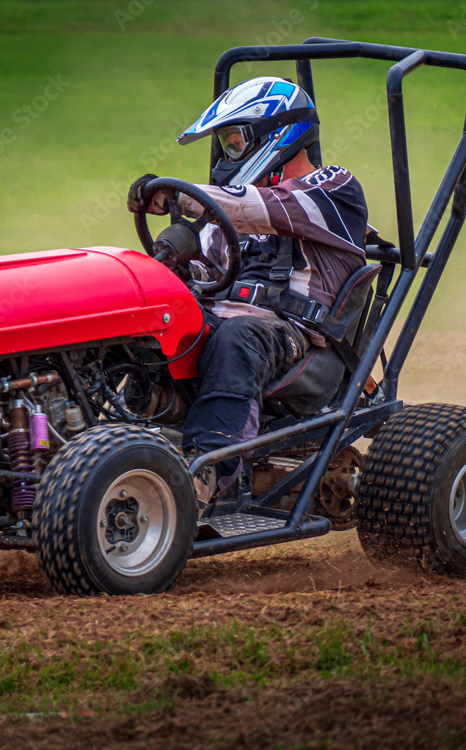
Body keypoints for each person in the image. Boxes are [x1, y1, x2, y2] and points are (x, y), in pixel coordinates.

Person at [127, 76, 369, 502]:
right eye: (223, 143)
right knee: (144, 320)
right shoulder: (228, 215)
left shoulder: (334, 188)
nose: (227, 154)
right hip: (229, 328)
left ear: (276, 137)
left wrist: (177, 195)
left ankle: (204, 475)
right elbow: (204, 270)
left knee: (241, 336)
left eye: (235, 142)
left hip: (300, 345)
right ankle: (109, 438)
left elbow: (254, 207)